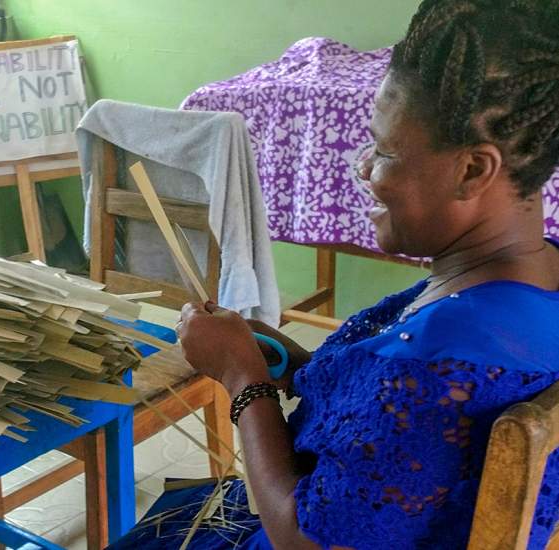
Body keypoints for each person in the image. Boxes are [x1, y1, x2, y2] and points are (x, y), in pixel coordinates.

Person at [109, 0, 559, 548]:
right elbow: (397, 425)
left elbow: (303, 538)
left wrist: (243, 382)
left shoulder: (430, 370)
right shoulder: (532, 275)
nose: (366, 168)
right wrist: (296, 365)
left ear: (473, 169)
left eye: (386, 151)